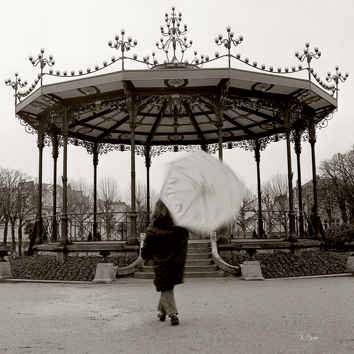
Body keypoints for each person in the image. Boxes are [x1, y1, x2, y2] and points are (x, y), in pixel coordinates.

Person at [141, 199, 189, 326]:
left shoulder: (152, 228)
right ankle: (162, 313)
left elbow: (147, 247)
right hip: (175, 263)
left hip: (161, 264)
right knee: (166, 286)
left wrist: (145, 258)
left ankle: (172, 313)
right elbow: (185, 236)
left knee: (165, 286)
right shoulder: (178, 227)